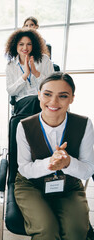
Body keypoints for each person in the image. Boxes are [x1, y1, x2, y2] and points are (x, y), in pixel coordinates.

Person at [15, 72, 94, 239]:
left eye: (63, 96)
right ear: (39, 95)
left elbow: (87, 171)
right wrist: (50, 163)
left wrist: (67, 163)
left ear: (72, 98)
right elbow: (25, 169)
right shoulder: (24, 126)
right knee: (46, 230)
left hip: (69, 186)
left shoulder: (84, 124)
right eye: (47, 94)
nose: (53, 102)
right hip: (32, 185)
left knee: (77, 232)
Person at [5, 28, 54, 115]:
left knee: (39, 101)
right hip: (23, 102)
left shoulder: (44, 60)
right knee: (36, 101)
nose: (25, 48)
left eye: (29, 44)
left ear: (33, 45)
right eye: (21, 44)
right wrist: (25, 75)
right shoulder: (10, 66)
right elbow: (11, 91)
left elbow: (52, 86)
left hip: (44, 99)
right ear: (15, 46)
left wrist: (36, 73)